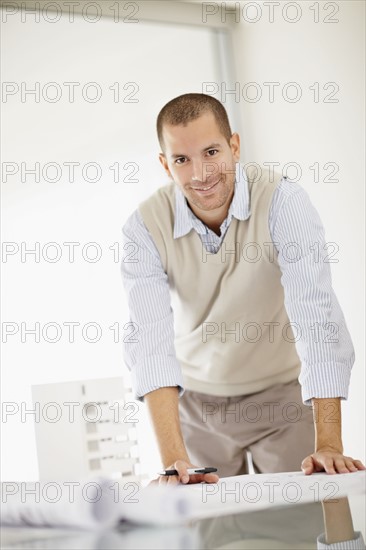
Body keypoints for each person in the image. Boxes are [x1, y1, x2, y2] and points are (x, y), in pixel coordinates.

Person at [121, 93, 365, 485]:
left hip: (282, 398)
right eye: (182, 159)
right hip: (198, 406)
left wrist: (331, 445)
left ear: (234, 146)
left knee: (300, 526)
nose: (200, 173)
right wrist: (173, 461)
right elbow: (149, 342)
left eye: (211, 151)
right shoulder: (144, 228)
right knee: (214, 537)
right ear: (166, 165)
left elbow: (317, 318)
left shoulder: (284, 202)